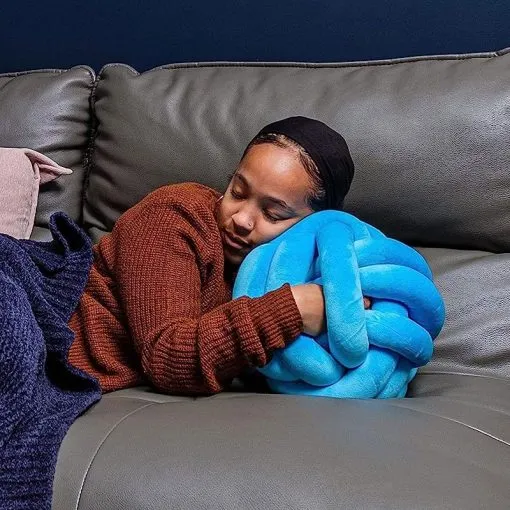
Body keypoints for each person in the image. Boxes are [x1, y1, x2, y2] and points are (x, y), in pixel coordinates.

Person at [67, 116, 371, 396]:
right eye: (237, 192)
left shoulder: (300, 264)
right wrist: (292, 310)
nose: (241, 219)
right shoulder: (175, 216)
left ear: (312, 224)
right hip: (48, 325)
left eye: (273, 213)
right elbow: (167, 358)